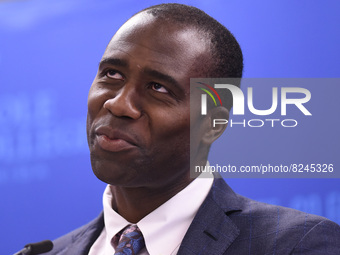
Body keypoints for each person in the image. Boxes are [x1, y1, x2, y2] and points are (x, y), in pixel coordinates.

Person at [44, 3, 340, 255]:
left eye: (158, 88)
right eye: (112, 74)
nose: (119, 105)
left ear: (212, 125)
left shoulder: (295, 245)